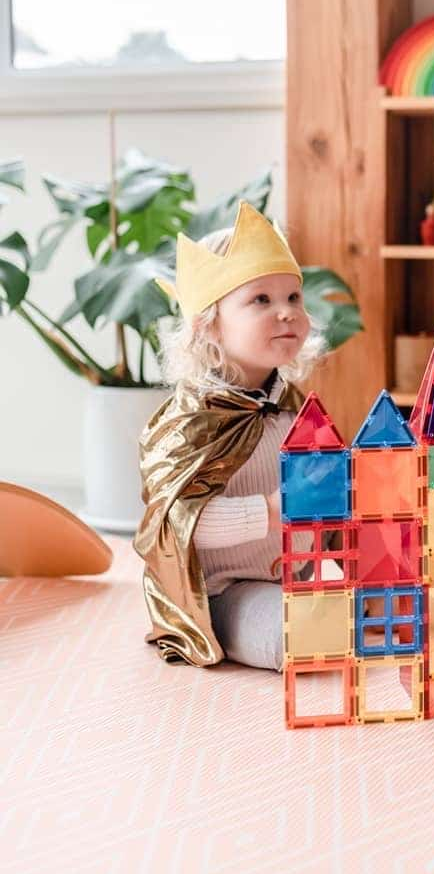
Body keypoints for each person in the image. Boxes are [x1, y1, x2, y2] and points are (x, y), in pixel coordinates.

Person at [135, 202, 320, 670]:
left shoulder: (289, 406)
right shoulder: (191, 422)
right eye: (261, 300)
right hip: (222, 590)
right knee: (290, 635)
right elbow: (178, 523)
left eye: (293, 297)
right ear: (209, 325)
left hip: (292, 574)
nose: (287, 312)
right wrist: (271, 511)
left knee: (389, 598)